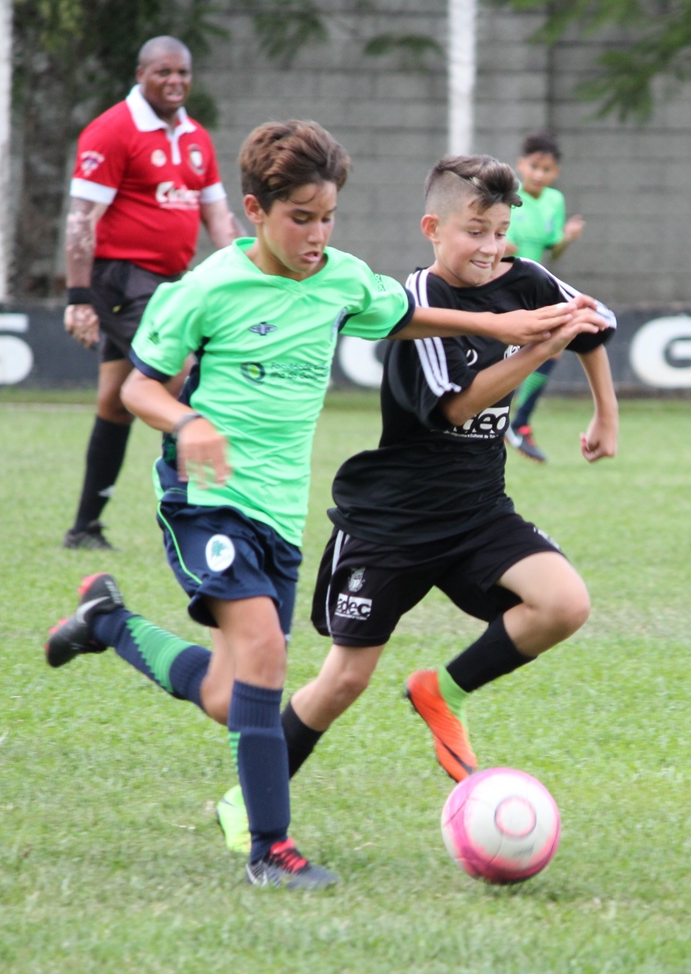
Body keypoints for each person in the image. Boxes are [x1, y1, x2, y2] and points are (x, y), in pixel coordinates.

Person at [42, 122, 606, 890]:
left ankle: (106, 620)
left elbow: (405, 315)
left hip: (278, 508)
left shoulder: (341, 279)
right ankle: (271, 851)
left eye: (326, 218)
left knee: (227, 692)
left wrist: (498, 325)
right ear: (253, 211)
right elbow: (137, 385)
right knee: (270, 666)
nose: (315, 235)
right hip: (206, 494)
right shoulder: (207, 287)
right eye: (299, 218)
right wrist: (189, 422)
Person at [213, 153, 618, 854]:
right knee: (344, 679)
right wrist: (535, 347)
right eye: (474, 232)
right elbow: (458, 409)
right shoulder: (413, 307)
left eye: (500, 231)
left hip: (476, 511)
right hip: (389, 524)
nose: (491, 248)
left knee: (563, 603)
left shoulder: (524, 279)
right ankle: (245, 800)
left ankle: (442, 690)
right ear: (433, 228)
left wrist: (603, 414)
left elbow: (591, 323)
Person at [60, 35, 242, 551]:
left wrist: (248, 277)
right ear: (141, 74)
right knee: (183, 376)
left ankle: (84, 528)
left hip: (168, 283)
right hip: (121, 278)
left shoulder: (195, 137)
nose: (175, 82)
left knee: (117, 402)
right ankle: (203, 508)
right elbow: (81, 220)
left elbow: (218, 219)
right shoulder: (113, 130)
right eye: (164, 72)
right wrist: (77, 296)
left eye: (182, 73)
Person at [502, 129, 588, 464]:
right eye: (534, 167)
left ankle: (518, 424)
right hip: (504, 283)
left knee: (551, 350)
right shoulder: (507, 195)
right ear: (521, 165)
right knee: (517, 351)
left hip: (536, 285)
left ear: (556, 173)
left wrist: (567, 238)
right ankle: (510, 424)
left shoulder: (554, 200)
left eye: (546, 170)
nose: (539, 175)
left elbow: (553, 250)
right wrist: (499, 245)